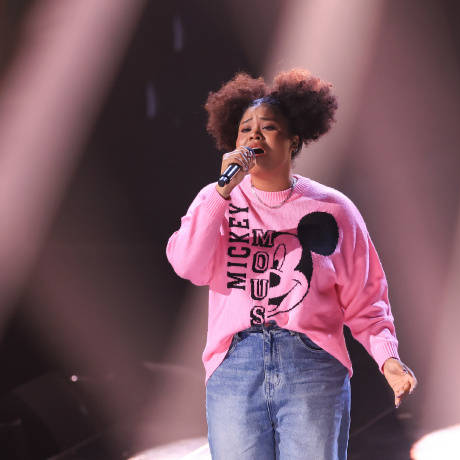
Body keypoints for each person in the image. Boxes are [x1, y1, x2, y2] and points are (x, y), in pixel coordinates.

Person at [166, 68, 417, 460]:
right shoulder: (217, 201)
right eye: (245, 129)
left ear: (293, 140)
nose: (254, 136)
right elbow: (187, 264)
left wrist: (389, 358)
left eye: (268, 127)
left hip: (311, 362)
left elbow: (367, 297)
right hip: (236, 365)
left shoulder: (332, 208)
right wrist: (220, 194)